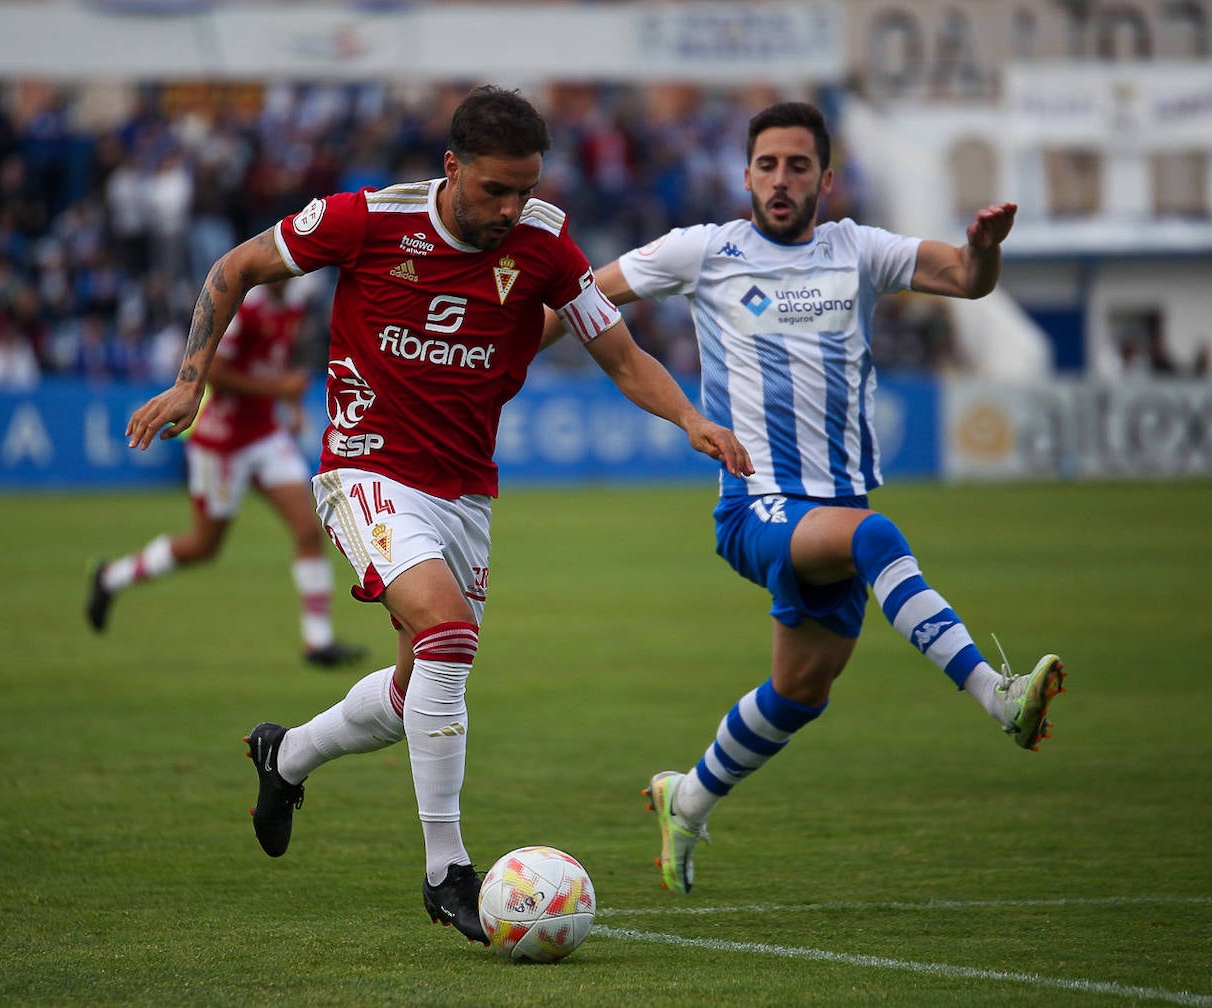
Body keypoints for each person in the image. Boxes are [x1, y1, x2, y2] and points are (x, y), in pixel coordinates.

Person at [122, 85, 752, 945]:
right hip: (365, 468)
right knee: (449, 637)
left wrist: (690, 420)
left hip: (465, 492)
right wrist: (192, 377)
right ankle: (446, 872)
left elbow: (619, 350)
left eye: (524, 188)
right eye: (495, 189)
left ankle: (289, 754)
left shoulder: (544, 242)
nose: (510, 208)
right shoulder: (365, 221)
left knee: (417, 688)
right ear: (451, 169)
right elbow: (232, 268)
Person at [542, 101, 1065, 896]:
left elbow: (963, 277)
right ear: (744, 173)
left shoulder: (858, 250)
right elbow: (584, 299)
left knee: (799, 693)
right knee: (877, 538)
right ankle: (1000, 698)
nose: (780, 180)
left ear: (826, 176)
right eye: (766, 165)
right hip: (757, 507)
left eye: (796, 166)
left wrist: (983, 251)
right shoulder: (705, 250)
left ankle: (686, 797)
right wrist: (493, 348)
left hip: (834, 504)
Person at [87, 277, 365, 667]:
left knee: (307, 528)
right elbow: (215, 373)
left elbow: (276, 365)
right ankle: (111, 576)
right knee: (204, 546)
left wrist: (292, 406)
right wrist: (278, 392)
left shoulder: (294, 306)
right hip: (223, 441)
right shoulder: (246, 311)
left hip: (265, 435)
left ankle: (317, 642)